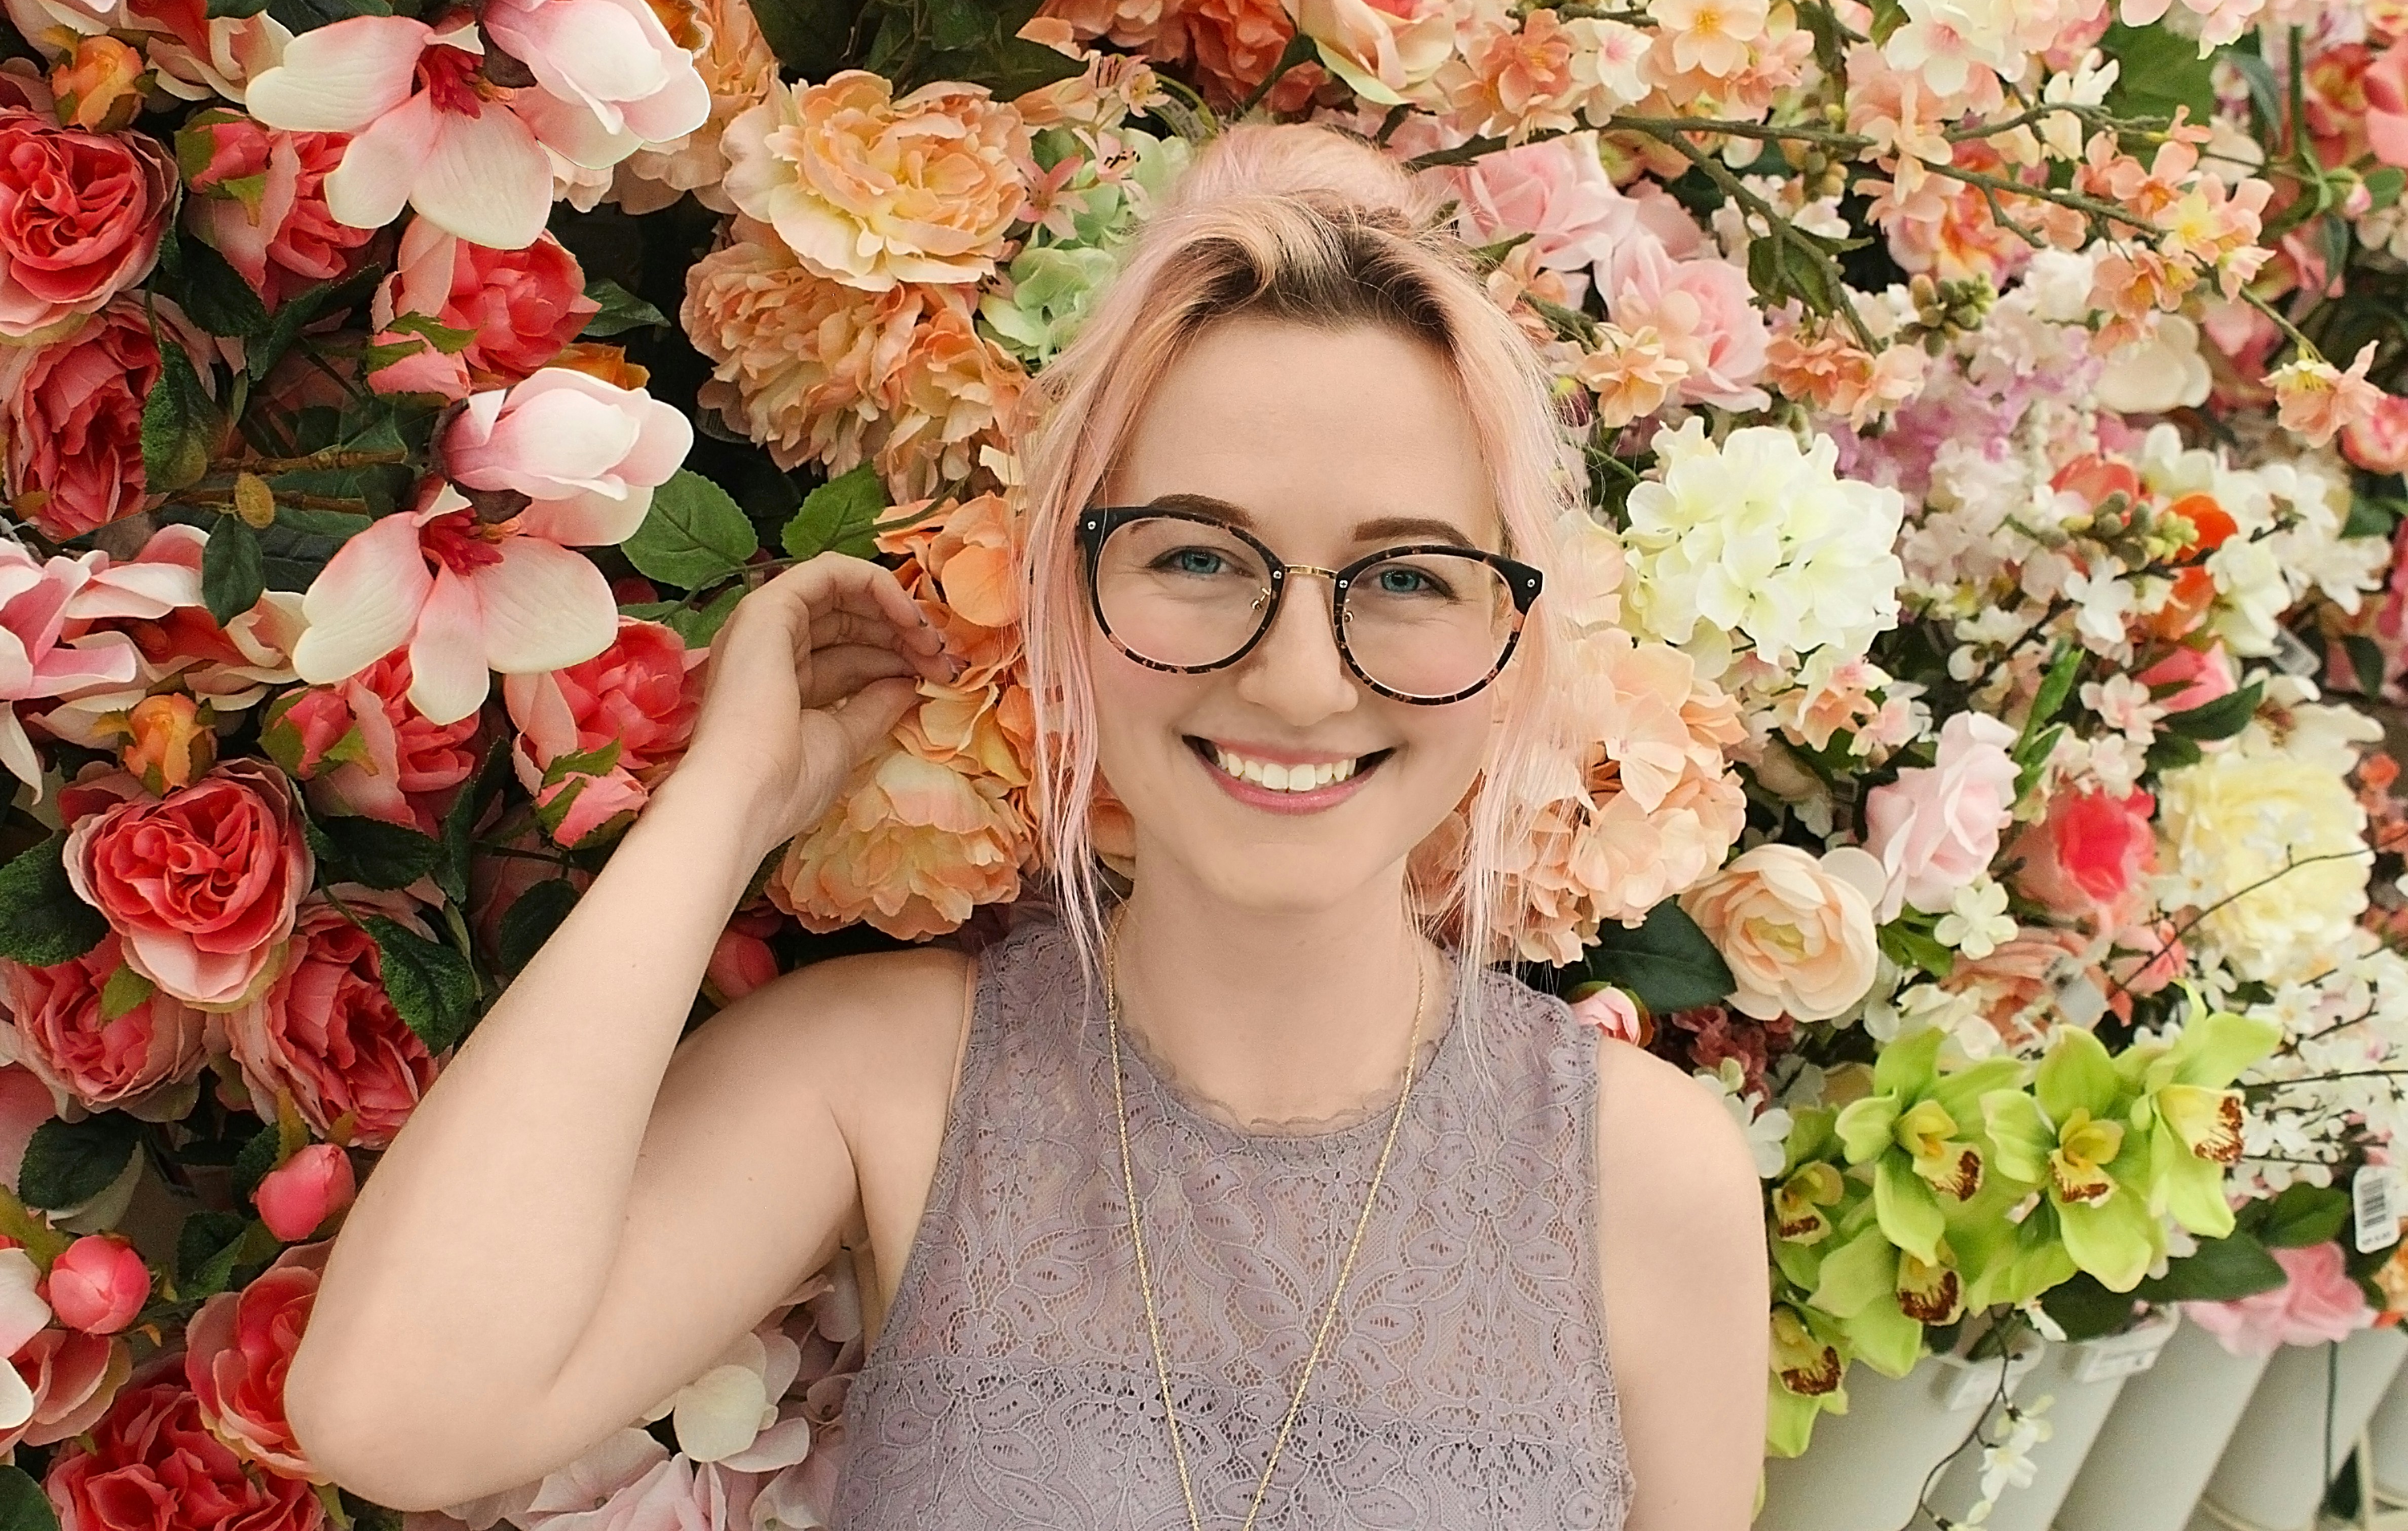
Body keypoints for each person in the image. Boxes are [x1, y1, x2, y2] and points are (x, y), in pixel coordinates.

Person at [281, 121, 1770, 1530]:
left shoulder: (1648, 1182)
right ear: (1067, 600)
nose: (1301, 679)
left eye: (1408, 578)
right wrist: (723, 809)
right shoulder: (885, 1077)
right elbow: (399, 1410)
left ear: (1516, 643)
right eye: (1197, 554)